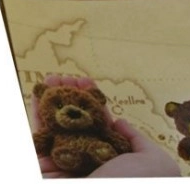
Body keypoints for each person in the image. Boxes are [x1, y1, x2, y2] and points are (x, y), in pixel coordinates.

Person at [34, 76, 180, 178]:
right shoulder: (53, 131)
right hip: (64, 151)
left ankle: (100, 152)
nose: (74, 111)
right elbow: (40, 141)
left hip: (96, 151)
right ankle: (69, 156)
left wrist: (122, 146)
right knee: (65, 153)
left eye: (83, 107)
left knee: (101, 148)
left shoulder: (98, 130)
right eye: (60, 106)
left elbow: (113, 138)